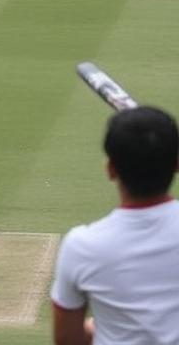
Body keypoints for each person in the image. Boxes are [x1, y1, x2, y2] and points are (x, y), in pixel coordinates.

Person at [51, 106, 179, 345]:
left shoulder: (82, 245)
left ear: (110, 169)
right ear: (176, 165)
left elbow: (67, 339)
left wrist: (108, 328)